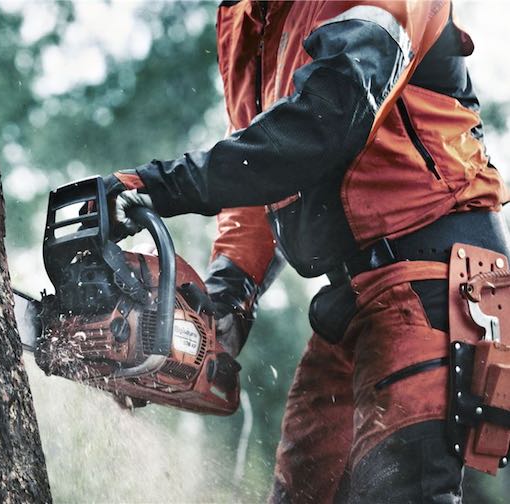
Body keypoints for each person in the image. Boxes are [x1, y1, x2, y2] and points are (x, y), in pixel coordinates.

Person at [102, 1, 509, 502]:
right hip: (351, 301)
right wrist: (226, 299)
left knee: (403, 488)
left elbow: (326, 118)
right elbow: (261, 167)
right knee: (302, 492)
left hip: (436, 281)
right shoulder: (249, 20)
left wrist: (157, 187)